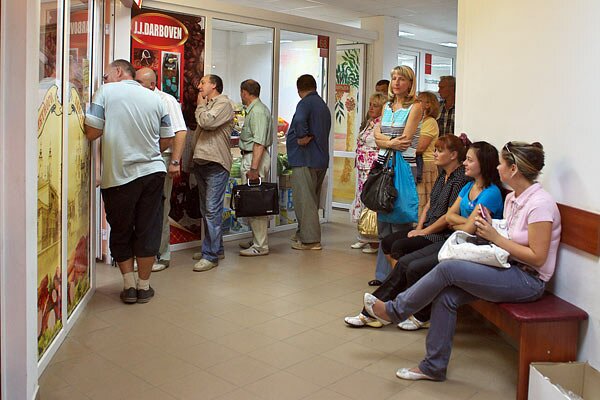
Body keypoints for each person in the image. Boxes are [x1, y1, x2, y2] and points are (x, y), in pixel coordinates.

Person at [363, 141, 560, 383]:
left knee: (448, 268)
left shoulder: (540, 204)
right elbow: (509, 235)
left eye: (501, 164)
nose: (497, 168)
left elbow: (538, 257)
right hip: (506, 266)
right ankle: (433, 367)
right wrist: (494, 227)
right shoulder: (513, 198)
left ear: (513, 169)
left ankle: (394, 310)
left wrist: (495, 236)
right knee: (446, 296)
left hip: (528, 280)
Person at [347, 139, 506, 330]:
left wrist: (457, 223)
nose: (465, 163)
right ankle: (371, 312)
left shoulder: (490, 193)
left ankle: (420, 315)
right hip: (455, 241)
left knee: (414, 266)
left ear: (484, 164)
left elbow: (464, 229)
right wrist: (462, 222)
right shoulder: (469, 186)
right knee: (405, 263)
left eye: (470, 160)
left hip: (469, 246)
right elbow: (450, 216)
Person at [84, 59, 174, 304]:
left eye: (106, 75)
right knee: (148, 229)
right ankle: (144, 286)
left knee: (121, 229)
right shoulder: (156, 98)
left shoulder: (105, 92)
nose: (104, 80)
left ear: (118, 72)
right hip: (153, 173)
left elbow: (92, 131)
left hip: (119, 176)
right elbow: (167, 137)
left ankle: (128, 287)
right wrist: (148, 152)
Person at [369, 65, 422, 286]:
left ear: (410, 83)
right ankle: (382, 275)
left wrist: (384, 140)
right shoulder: (387, 107)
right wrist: (389, 142)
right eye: (394, 78)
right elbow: (376, 137)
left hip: (403, 168)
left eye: (402, 79)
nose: (397, 82)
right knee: (383, 221)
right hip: (383, 166)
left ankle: (399, 275)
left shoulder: (415, 107)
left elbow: (405, 141)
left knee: (400, 220)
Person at [135, 67, 187, 272]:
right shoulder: (137, 100)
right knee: (144, 209)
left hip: (162, 158)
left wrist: (175, 161)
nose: (135, 85)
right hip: (142, 159)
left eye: (139, 82)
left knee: (159, 208)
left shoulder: (166, 101)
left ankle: (161, 255)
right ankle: (145, 254)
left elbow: (180, 131)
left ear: (151, 84)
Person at [190, 74, 235, 272]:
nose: (199, 86)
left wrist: (200, 106)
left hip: (216, 164)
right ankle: (216, 248)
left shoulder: (223, 103)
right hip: (202, 162)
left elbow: (207, 122)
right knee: (206, 210)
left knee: (211, 210)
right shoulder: (209, 104)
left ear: (214, 85)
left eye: (203, 83)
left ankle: (210, 255)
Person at [286, 74, 331, 250]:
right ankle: (302, 233)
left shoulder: (305, 103)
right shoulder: (322, 105)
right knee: (312, 199)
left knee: (305, 202)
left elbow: (299, 120)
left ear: (299, 89)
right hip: (320, 159)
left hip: (305, 158)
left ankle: (310, 241)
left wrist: (301, 136)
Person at [236, 79, 273, 256]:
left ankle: (260, 246)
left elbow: (258, 142)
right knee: (252, 200)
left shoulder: (257, 111)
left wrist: (253, 168)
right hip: (253, 156)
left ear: (245, 93)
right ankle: (256, 239)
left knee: (256, 201)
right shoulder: (257, 109)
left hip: (254, 157)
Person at [350, 92, 386, 253]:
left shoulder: (382, 124)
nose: (371, 108)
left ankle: (373, 239)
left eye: (375, 106)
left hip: (372, 167)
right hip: (362, 166)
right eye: (370, 105)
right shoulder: (369, 122)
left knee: (371, 200)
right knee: (361, 199)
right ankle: (363, 236)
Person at [415, 91, 440, 217]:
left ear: (428, 104)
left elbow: (420, 147)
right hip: (416, 163)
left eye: (419, 100)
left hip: (425, 164)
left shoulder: (430, 122)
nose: (416, 103)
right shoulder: (418, 121)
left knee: (422, 200)